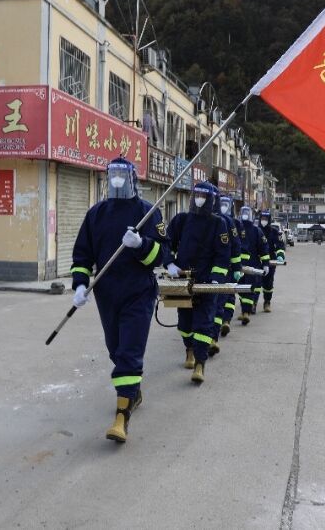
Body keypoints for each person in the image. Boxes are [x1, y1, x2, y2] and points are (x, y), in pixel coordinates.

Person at [70, 158, 169, 443]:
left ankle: (121, 416)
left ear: (132, 179)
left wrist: (141, 245)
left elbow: (161, 256)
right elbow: (82, 255)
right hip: (107, 294)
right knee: (115, 348)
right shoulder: (96, 214)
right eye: (112, 173)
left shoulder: (148, 212)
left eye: (122, 174)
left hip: (139, 293)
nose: (116, 179)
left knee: (128, 352)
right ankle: (133, 393)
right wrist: (80, 284)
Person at [165, 182, 230, 384]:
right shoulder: (181, 220)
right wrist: (169, 264)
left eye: (204, 196)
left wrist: (216, 279)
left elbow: (223, 255)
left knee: (203, 324)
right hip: (183, 281)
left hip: (206, 282)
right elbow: (166, 243)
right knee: (185, 324)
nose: (200, 199)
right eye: (198, 195)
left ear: (211, 199)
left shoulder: (218, 224)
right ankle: (189, 350)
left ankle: (200, 364)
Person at [212, 193, 243, 344]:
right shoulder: (206, 219)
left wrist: (236, 267)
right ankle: (222, 322)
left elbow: (236, 245)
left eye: (226, 204)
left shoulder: (230, 222)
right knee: (221, 298)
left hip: (226, 267)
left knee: (224, 298)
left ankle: (224, 322)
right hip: (212, 267)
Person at [237, 206, 270, 325]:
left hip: (252, 265)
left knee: (249, 288)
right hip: (239, 265)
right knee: (241, 289)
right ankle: (245, 311)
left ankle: (246, 312)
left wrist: (265, 264)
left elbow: (264, 248)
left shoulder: (256, 231)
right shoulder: (236, 228)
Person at [258, 212, 286, 312]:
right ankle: (252, 303)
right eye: (262, 218)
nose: (264, 220)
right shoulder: (255, 230)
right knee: (254, 283)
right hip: (256, 261)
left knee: (268, 283)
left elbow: (280, 245)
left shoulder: (274, 232)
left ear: (269, 220)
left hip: (270, 261)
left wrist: (280, 255)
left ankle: (267, 302)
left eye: (266, 219)